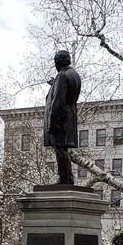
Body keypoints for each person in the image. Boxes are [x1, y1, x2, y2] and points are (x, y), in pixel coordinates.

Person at [43, 49, 82, 185]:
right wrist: (54, 84)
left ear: (57, 62)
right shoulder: (74, 75)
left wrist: (52, 124)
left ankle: (64, 178)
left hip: (60, 119)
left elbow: (58, 101)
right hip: (69, 118)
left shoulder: (62, 75)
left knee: (59, 149)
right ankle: (68, 178)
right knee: (63, 149)